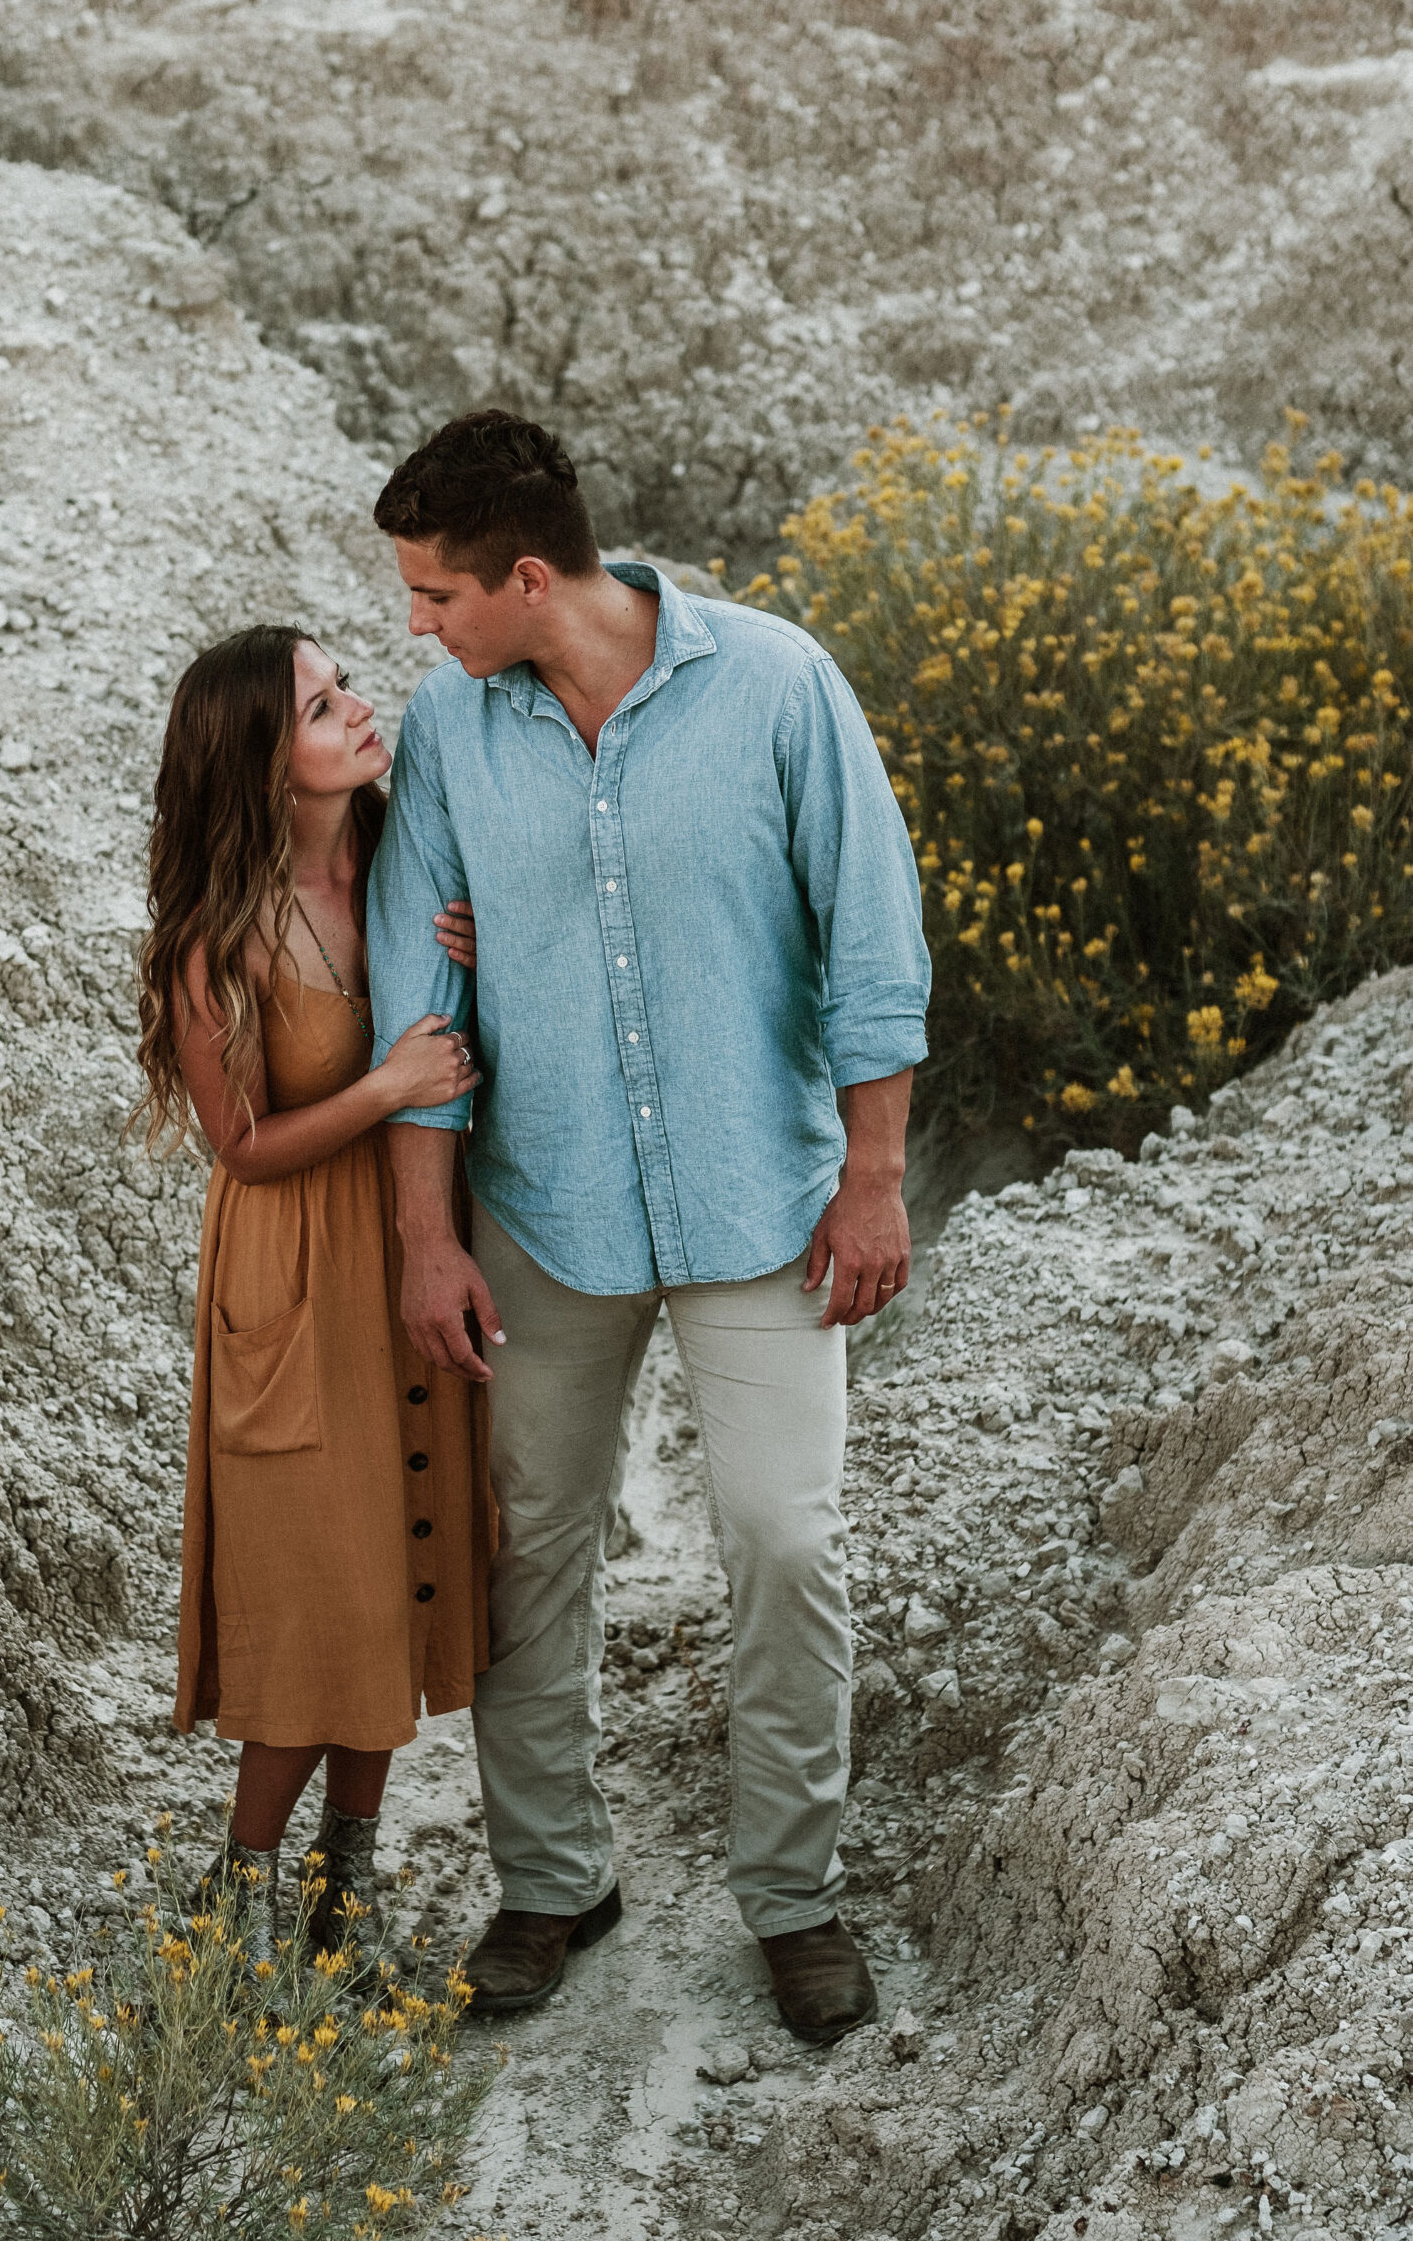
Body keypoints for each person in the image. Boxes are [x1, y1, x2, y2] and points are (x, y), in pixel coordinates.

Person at [363, 412, 931, 2045]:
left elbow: (873, 933)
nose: (418, 626)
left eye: (434, 595)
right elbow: (422, 988)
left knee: (786, 1537)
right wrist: (427, 1236)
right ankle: (552, 1880)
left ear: (527, 577)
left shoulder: (775, 683)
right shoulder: (455, 733)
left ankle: (795, 1896)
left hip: (766, 1198)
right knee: (532, 1552)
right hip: (543, 1213)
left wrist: (873, 1176)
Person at [131, 623, 495, 1955]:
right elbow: (243, 1147)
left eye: (347, 684)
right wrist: (387, 1087)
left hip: (409, 1245)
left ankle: (347, 1886)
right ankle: (235, 1894)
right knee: (314, 1592)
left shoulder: (408, 866)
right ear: (259, 764)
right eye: (320, 705)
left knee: (394, 1568)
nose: (358, 709)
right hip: (290, 1278)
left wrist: (477, 939)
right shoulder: (214, 941)